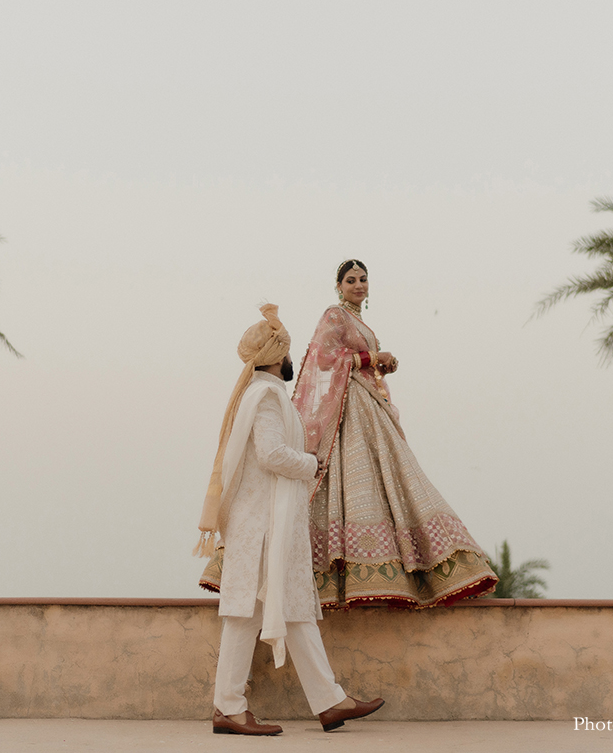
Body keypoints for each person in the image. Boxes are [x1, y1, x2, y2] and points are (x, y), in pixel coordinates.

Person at [195, 304, 384, 736]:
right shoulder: (265, 396)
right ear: (275, 356)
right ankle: (228, 707)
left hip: (271, 525)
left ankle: (330, 701)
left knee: (293, 606)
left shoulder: (263, 393)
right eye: (288, 353)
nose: (291, 360)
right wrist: (311, 464)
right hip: (263, 527)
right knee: (247, 613)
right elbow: (271, 454)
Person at [291, 259, 498, 608]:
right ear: (339, 286)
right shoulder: (335, 316)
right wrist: (371, 357)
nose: (359, 285)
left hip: (368, 401)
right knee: (353, 476)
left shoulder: (360, 320)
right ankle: (345, 568)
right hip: (350, 404)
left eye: (363, 279)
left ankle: (404, 566)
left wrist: (377, 362)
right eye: (351, 280)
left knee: (389, 472)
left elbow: (351, 357)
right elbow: (323, 357)